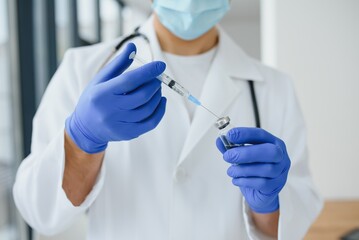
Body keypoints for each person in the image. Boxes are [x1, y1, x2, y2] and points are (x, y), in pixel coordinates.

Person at [13, 0, 323, 239]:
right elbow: (40, 212)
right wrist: (81, 139)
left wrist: (266, 204)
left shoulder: (273, 87)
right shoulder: (82, 69)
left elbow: (289, 227)